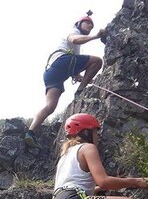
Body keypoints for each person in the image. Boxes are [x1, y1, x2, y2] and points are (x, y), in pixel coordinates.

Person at [24, 13, 106, 149]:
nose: (90, 26)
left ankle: (30, 132)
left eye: (92, 26)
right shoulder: (73, 32)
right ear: (78, 24)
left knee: (50, 106)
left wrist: (81, 77)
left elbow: (75, 69)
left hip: (52, 72)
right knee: (97, 61)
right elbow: (74, 40)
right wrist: (95, 36)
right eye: (87, 23)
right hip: (62, 61)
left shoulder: (75, 50)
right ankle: (80, 91)